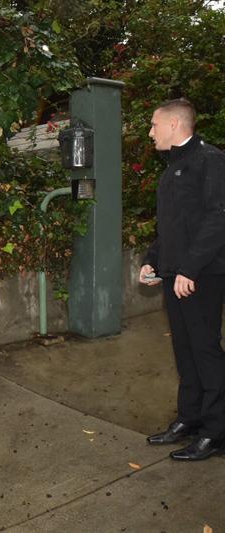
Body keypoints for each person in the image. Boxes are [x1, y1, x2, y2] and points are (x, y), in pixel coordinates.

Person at [140, 99, 225, 461]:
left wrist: (189, 269)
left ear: (174, 124)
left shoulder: (209, 160)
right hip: (177, 275)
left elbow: (218, 220)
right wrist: (153, 262)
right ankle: (189, 419)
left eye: (154, 125)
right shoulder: (172, 168)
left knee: (205, 352)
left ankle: (215, 431)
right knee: (184, 351)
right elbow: (173, 228)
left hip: (203, 275)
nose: (150, 132)